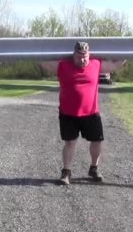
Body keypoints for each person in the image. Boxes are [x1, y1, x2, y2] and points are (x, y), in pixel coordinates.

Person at [44, 41, 125, 185]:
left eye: (85, 56)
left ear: (89, 55)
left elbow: (115, 65)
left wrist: (131, 52)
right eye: (79, 56)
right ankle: (66, 172)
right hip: (68, 113)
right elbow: (43, 61)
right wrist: (30, 50)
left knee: (97, 141)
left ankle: (94, 168)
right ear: (73, 55)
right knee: (70, 142)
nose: (82, 59)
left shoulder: (96, 64)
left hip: (91, 113)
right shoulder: (63, 65)